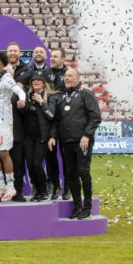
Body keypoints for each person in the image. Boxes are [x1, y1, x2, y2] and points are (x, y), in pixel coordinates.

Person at [49, 68, 101, 219]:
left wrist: (86, 135)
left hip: (82, 141)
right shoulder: (62, 97)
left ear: (78, 78)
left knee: (83, 172)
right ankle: (77, 206)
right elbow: (57, 121)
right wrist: (53, 136)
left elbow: (95, 116)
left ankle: (87, 207)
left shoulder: (86, 93)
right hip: (66, 142)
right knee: (71, 174)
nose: (67, 78)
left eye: (70, 75)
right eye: (65, 76)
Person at [0, 50, 26, 202]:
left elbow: (19, 91)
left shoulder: (7, 78)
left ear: (3, 65)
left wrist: (22, 99)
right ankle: (1, 186)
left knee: (3, 153)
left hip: (3, 121)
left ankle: (11, 187)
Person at [5, 42, 32, 202]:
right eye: (10, 51)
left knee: (18, 160)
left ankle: (18, 191)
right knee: (3, 159)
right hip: (1, 124)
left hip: (18, 124)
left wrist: (22, 89)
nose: (13, 53)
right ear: (7, 53)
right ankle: (5, 190)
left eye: (15, 50)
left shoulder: (27, 71)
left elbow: (30, 91)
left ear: (20, 53)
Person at [24, 75, 57, 202]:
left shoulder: (50, 97)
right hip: (28, 137)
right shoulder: (27, 96)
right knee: (30, 165)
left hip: (42, 137)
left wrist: (41, 102)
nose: (36, 82)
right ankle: (37, 191)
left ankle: (43, 191)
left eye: (39, 80)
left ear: (44, 84)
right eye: (33, 81)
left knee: (37, 164)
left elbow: (51, 116)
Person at [49, 47, 70, 200]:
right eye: (51, 56)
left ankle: (68, 187)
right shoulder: (46, 73)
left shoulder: (69, 74)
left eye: (56, 56)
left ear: (63, 59)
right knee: (50, 157)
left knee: (66, 156)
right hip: (49, 122)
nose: (52, 59)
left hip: (64, 121)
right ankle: (55, 185)